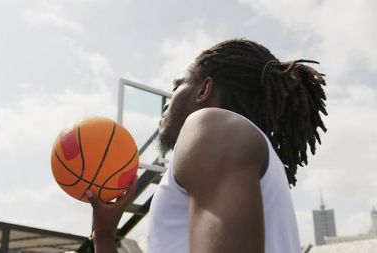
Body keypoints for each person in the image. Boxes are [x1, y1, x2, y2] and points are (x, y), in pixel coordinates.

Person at [85, 39, 328, 253]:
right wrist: (104, 238)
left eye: (176, 87)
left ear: (203, 90)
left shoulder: (213, 127)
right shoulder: (242, 151)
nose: (167, 103)